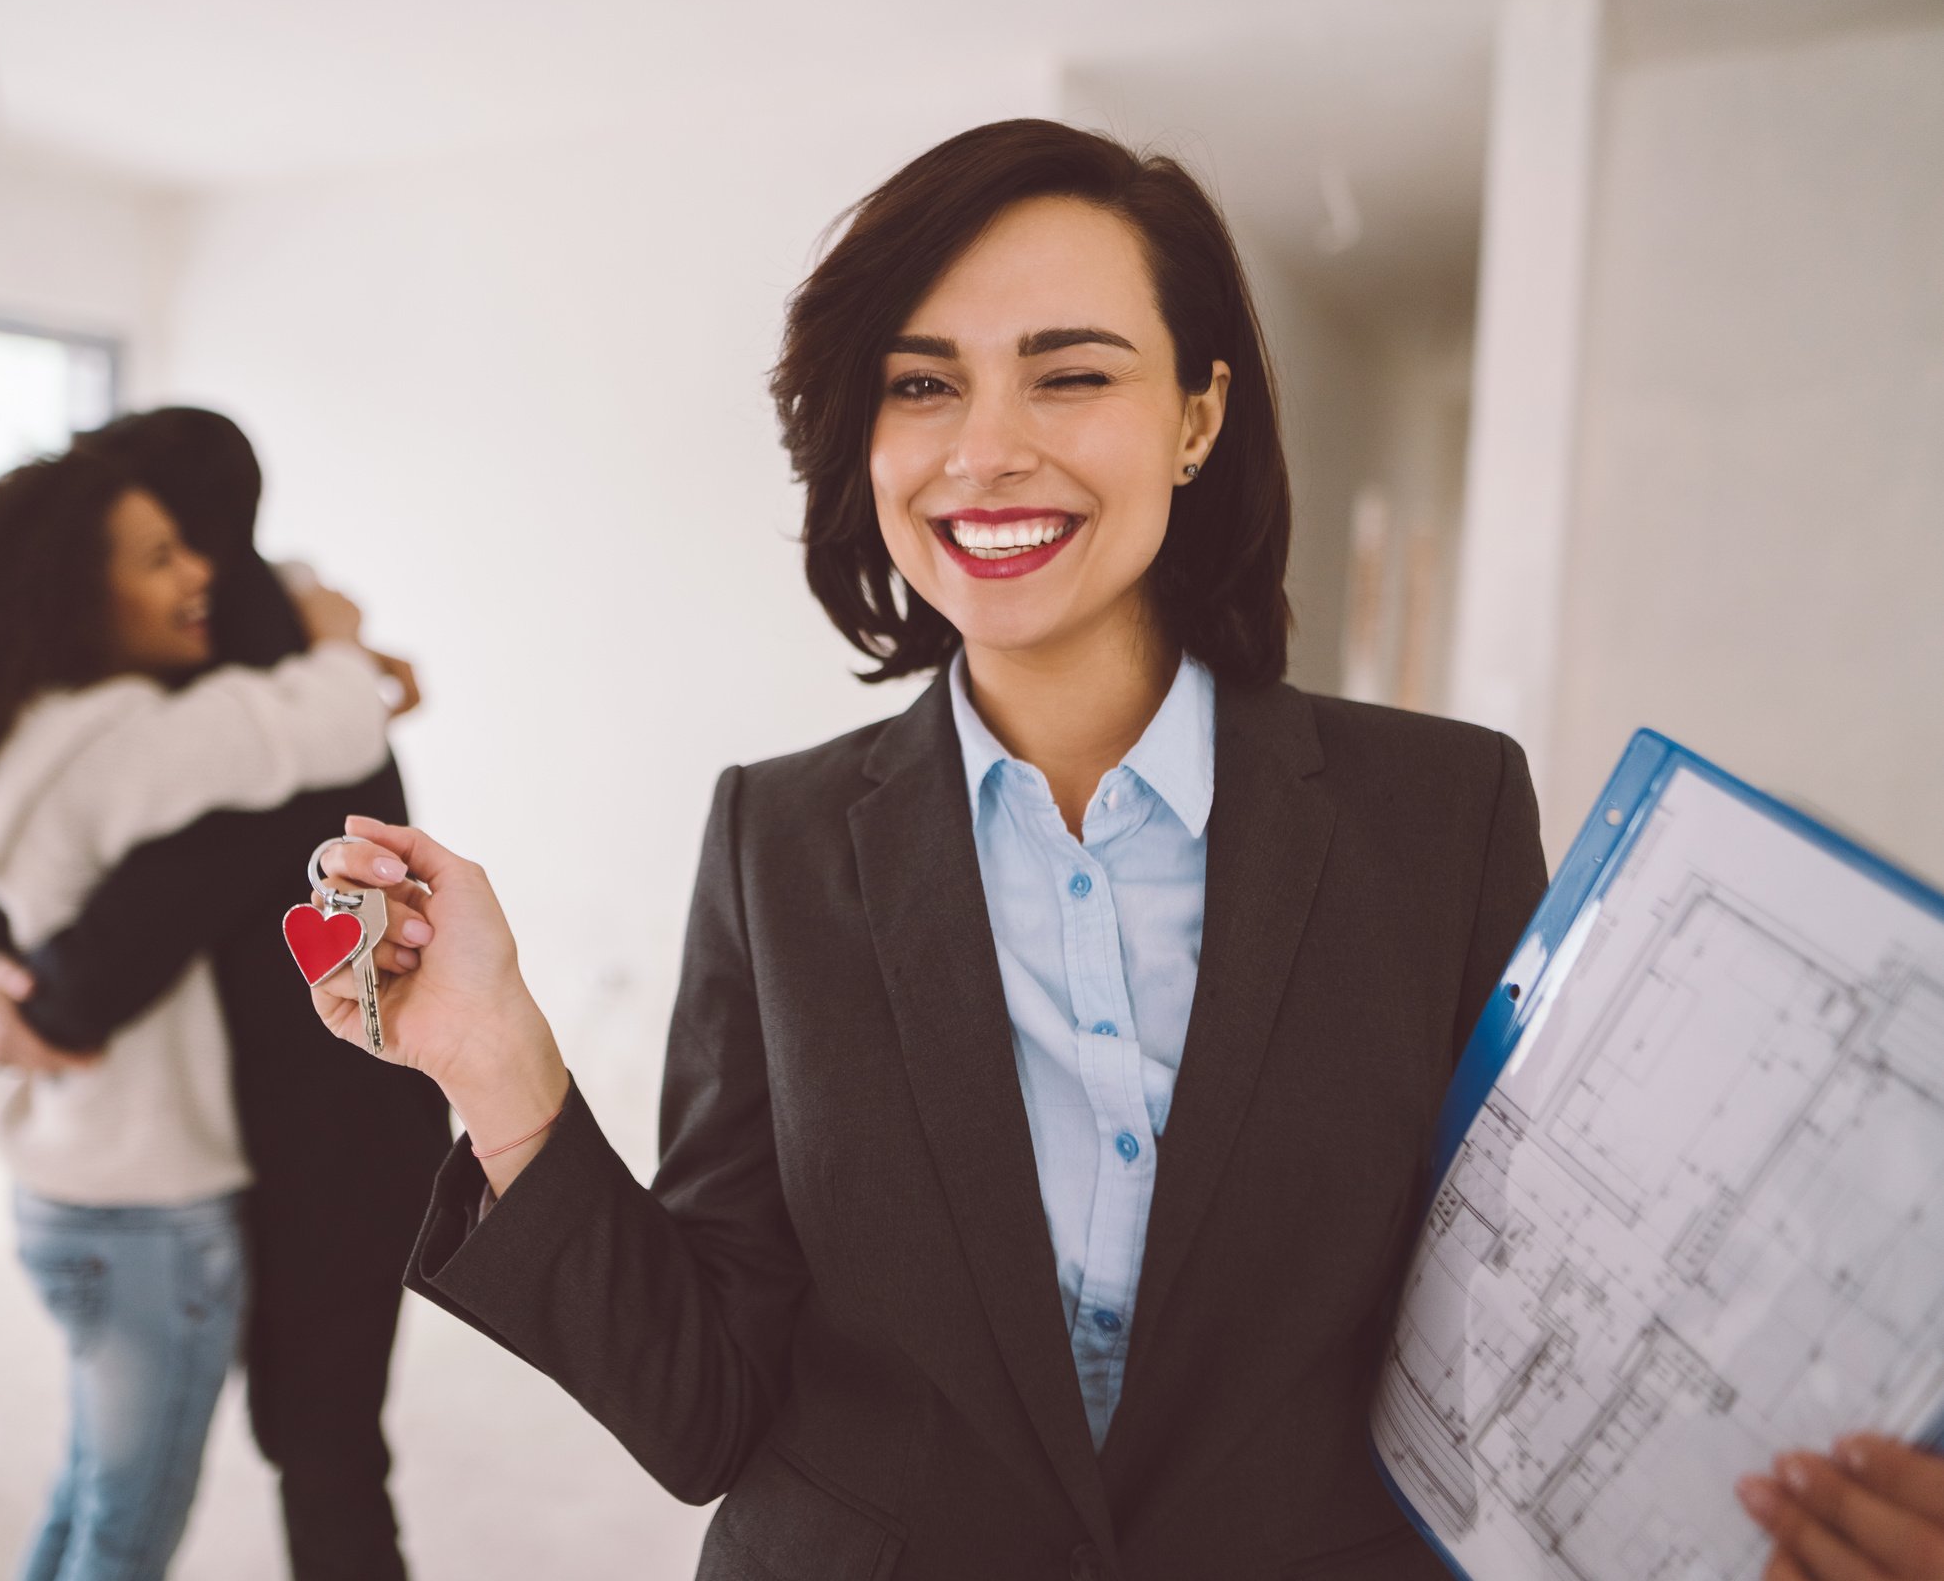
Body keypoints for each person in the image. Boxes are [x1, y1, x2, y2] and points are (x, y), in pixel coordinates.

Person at [303, 120, 1944, 1580]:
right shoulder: (778, 833)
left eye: (1071, 372)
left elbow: (1549, 1330)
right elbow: (705, 1411)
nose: (986, 446)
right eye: (921, 381)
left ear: (1196, 416)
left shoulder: (1442, 812)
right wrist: (497, 1064)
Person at [0, 450, 406, 1581]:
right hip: (156, 1199)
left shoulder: (11, 737)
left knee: (97, 1489)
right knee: (133, 1523)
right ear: (77, 594)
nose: (201, 573)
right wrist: (339, 636)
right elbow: (323, 720)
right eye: (162, 555)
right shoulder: (124, 738)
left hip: (75, 1184)